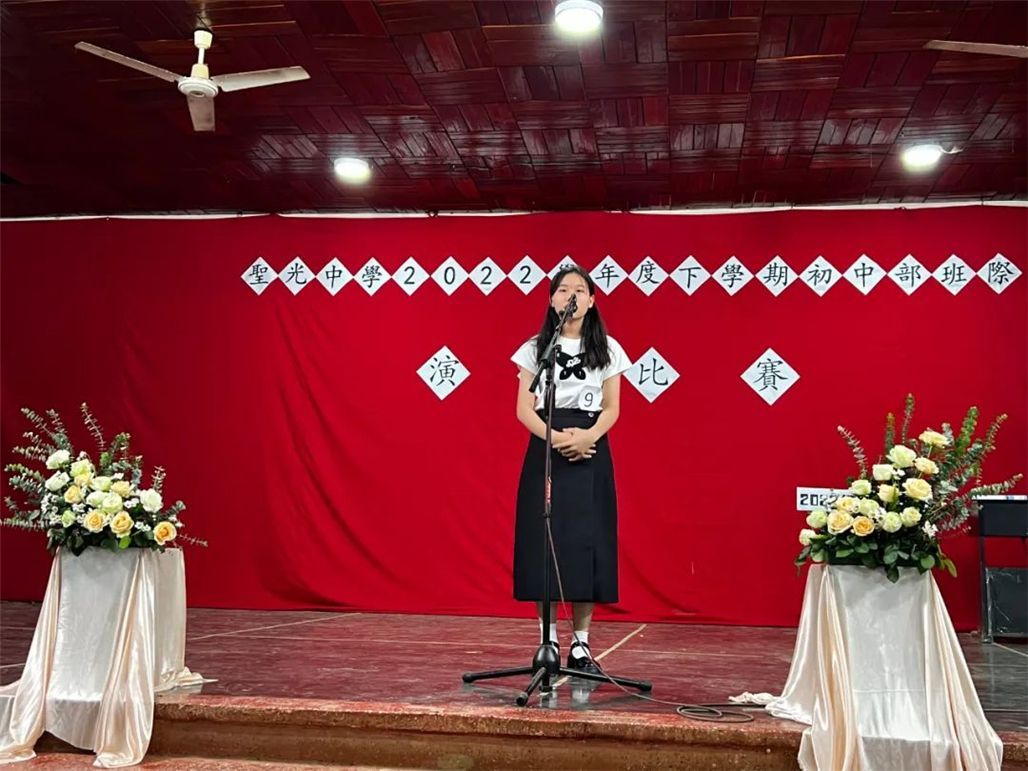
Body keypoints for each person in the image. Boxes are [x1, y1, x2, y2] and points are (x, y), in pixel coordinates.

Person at [510, 265, 631, 674]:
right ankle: (548, 640)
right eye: (564, 290)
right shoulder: (534, 348)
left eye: (580, 290)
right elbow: (524, 408)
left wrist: (586, 437)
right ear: (552, 300)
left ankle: (581, 643)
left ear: (592, 301)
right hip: (547, 443)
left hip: (591, 445)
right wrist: (556, 438)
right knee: (543, 541)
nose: (571, 296)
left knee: (587, 540)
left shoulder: (608, 348)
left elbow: (612, 407)